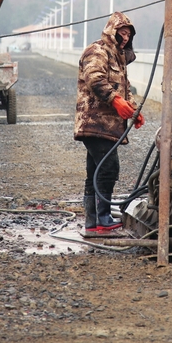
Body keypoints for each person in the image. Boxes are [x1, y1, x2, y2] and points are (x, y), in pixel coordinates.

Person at [74, 12, 144, 235]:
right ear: (112, 32)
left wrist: (133, 110)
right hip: (95, 122)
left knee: (94, 171)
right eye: (122, 33)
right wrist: (115, 100)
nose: (125, 37)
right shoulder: (98, 51)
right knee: (108, 168)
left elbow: (125, 88)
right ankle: (103, 219)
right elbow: (94, 78)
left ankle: (93, 221)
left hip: (108, 127)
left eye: (128, 34)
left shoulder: (118, 59)